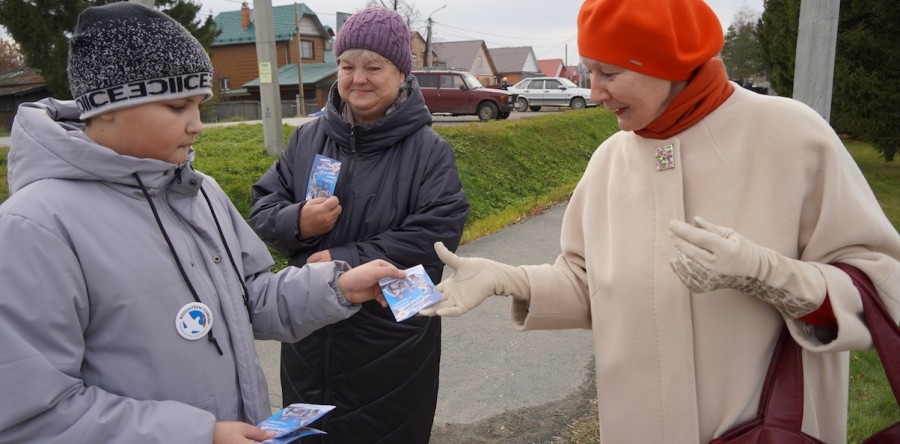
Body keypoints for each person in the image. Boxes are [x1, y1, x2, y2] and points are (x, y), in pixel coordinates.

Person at [420, 0, 900, 442]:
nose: (594, 91)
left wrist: (768, 274)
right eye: (589, 71)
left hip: (766, 430)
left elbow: (881, 285)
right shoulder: (609, 160)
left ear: (667, 66)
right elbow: (590, 285)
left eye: (609, 73)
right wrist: (510, 279)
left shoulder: (792, 135)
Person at [0, 3, 407, 444]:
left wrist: (337, 285)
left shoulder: (200, 192)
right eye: (178, 107)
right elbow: (31, 417)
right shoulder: (34, 228)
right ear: (107, 107)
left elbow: (249, 297)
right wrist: (198, 435)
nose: (197, 125)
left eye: (199, 104)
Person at [247, 7, 469, 444]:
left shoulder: (429, 151)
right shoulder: (307, 139)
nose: (358, 78)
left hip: (389, 343)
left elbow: (435, 235)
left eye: (373, 67)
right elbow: (262, 211)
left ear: (401, 73)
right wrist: (299, 221)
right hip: (309, 337)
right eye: (348, 66)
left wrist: (341, 261)